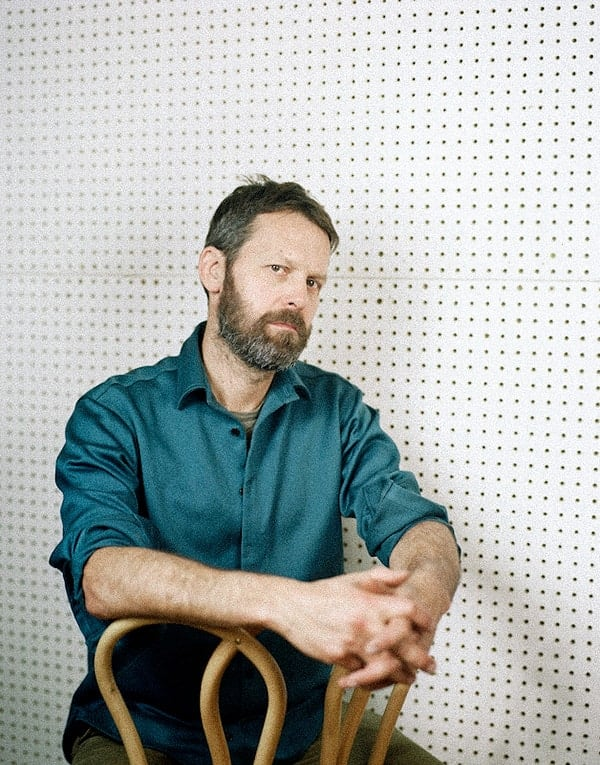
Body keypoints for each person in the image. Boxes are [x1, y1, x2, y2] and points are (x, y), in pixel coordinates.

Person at [50, 175, 461, 765]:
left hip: (306, 729)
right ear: (214, 270)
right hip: (148, 734)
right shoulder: (114, 413)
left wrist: (418, 601)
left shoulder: (339, 409)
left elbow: (417, 525)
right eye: (278, 270)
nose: (299, 296)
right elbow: (105, 577)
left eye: (313, 280)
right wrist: (289, 605)